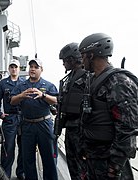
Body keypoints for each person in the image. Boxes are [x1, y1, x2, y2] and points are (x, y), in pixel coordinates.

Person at [79, 33, 138, 180]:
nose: (82, 61)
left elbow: (127, 128)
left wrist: (115, 165)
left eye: (83, 56)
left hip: (110, 164)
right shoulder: (93, 81)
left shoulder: (119, 82)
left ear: (91, 55)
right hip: (94, 158)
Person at [10, 58, 58, 180]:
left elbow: (57, 100)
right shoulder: (21, 86)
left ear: (41, 70)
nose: (32, 69)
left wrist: (43, 95)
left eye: (36, 67)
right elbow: (12, 101)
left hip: (44, 124)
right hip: (27, 125)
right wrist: (21, 95)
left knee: (49, 158)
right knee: (28, 159)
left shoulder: (48, 85)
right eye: (31, 66)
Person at [56, 42, 87, 180]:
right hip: (70, 129)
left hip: (83, 131)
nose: (63, 64)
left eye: (65, 60)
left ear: (72, 59)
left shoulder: (88, 76)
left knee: (84, 169)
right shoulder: (69, 78)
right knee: (73, 167)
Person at [0, 59, 25, 179]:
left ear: (19, 69)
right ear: (9, 69)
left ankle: (21, 172)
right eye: (12, 67)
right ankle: (5, 174)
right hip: (9, 118)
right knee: (8, 147)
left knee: (24, 147)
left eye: (16, 67)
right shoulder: (3, 83)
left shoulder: (24, 83)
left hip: (23, 118)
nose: (14, 69)